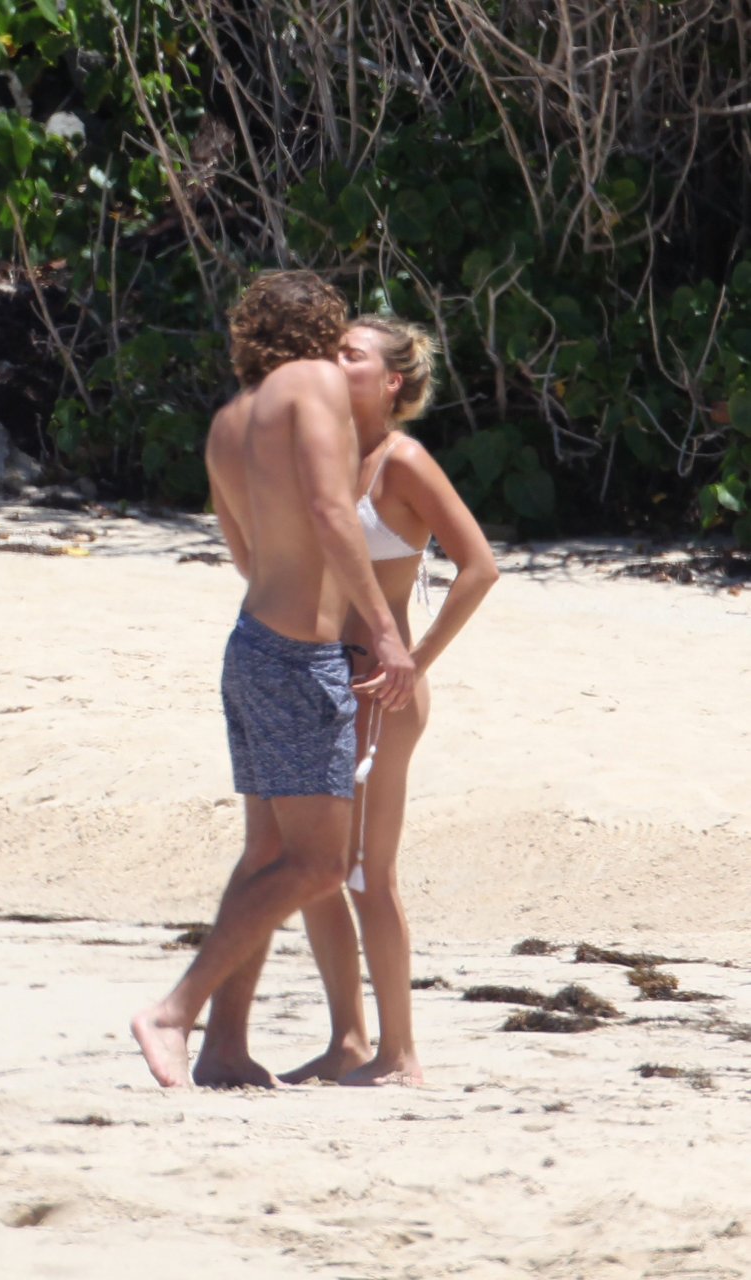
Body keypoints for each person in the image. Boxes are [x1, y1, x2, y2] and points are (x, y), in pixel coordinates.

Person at [131, 273, 415, 1088]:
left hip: (251, 644)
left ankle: (224, 1046)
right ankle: (175, 1010)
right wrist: (383, 630)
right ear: (322, 332)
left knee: (265, 853)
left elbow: (244, 552)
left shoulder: (229, 420)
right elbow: (330, 511)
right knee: (320, 865)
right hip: (296, 657)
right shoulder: (313, 382)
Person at [279, 315, 500, 1086]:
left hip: (381, 690)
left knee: (369, 873)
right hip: (309, 680)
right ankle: (346, 1039)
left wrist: (415, 659)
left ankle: (399, 1052)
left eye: (349, 353)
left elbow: (479, 567)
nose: (331, 360)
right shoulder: (317, 453)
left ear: (390, 380)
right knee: (313, 867)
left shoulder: (402, 462)